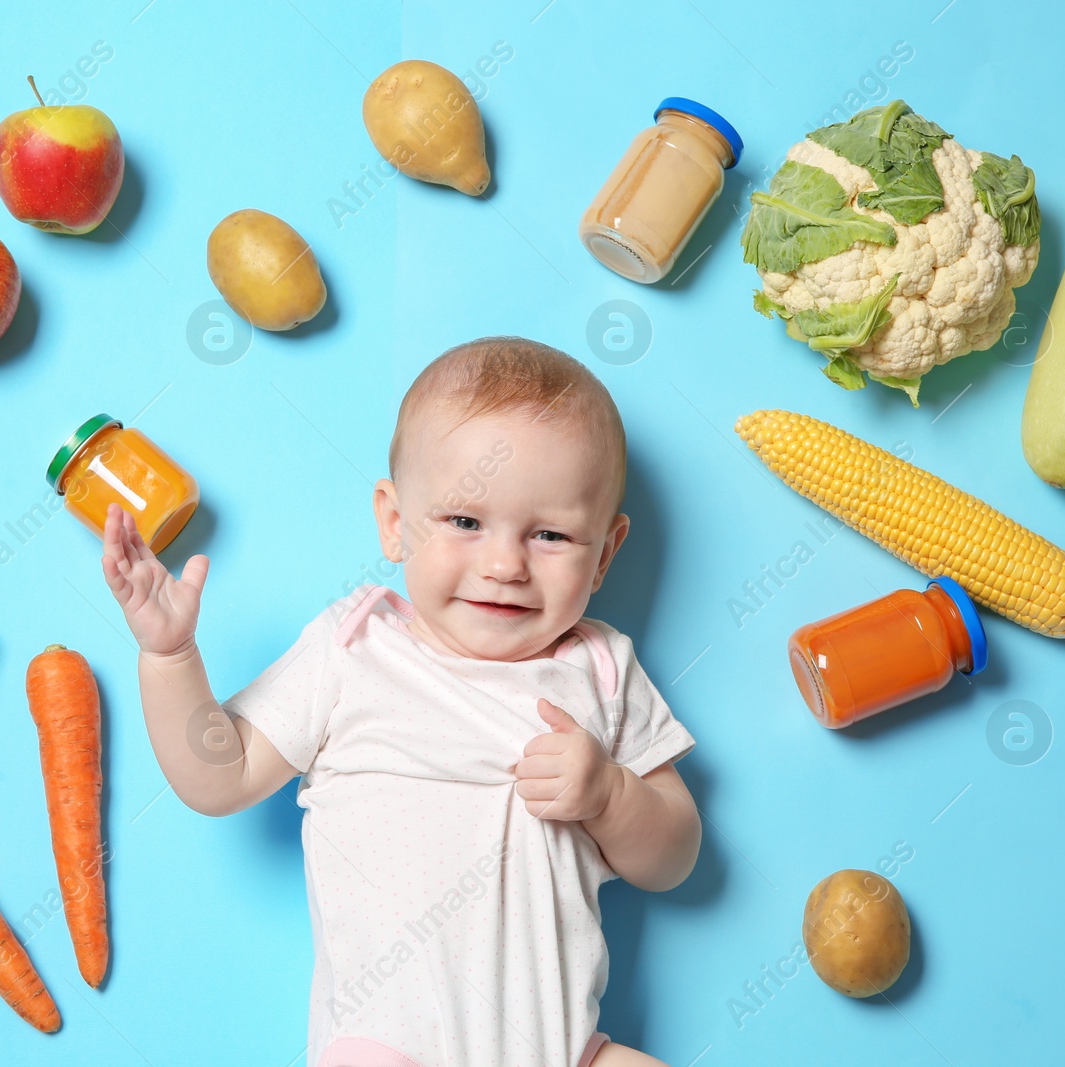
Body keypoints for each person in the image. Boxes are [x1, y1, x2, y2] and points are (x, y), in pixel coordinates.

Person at [103, 336, 700, 1066]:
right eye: (464, 521)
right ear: (393, 521)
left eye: (549, 534)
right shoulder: (354, 646)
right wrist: (170, 656)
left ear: (605, 553)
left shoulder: (601, 667)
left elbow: (676, 854)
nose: (504, 563)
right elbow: (216, 776)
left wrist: (609, 795)